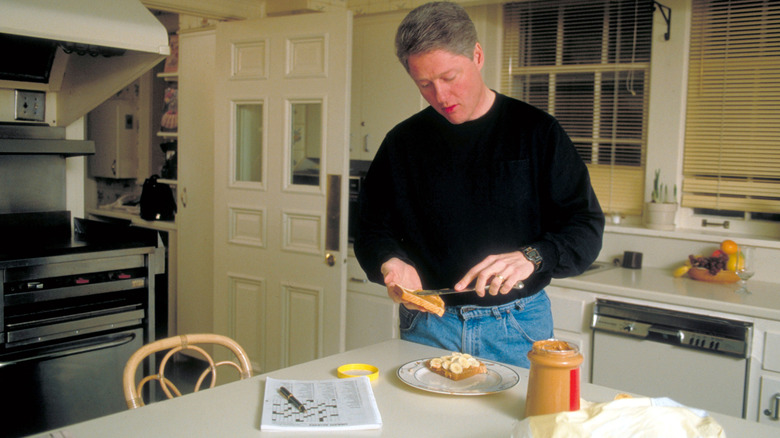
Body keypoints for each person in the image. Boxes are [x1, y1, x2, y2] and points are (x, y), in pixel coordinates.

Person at [354, 1, 604, 368]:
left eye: (450, 77)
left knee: (520, 428)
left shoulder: (537, 133)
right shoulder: (402, 143)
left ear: (477, 55)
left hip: (518, 326)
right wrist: (390, 261)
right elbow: (371, 230)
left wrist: (532, 256)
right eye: (424, 84)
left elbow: (585, 227)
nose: (440, 96)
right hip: (428, 325)